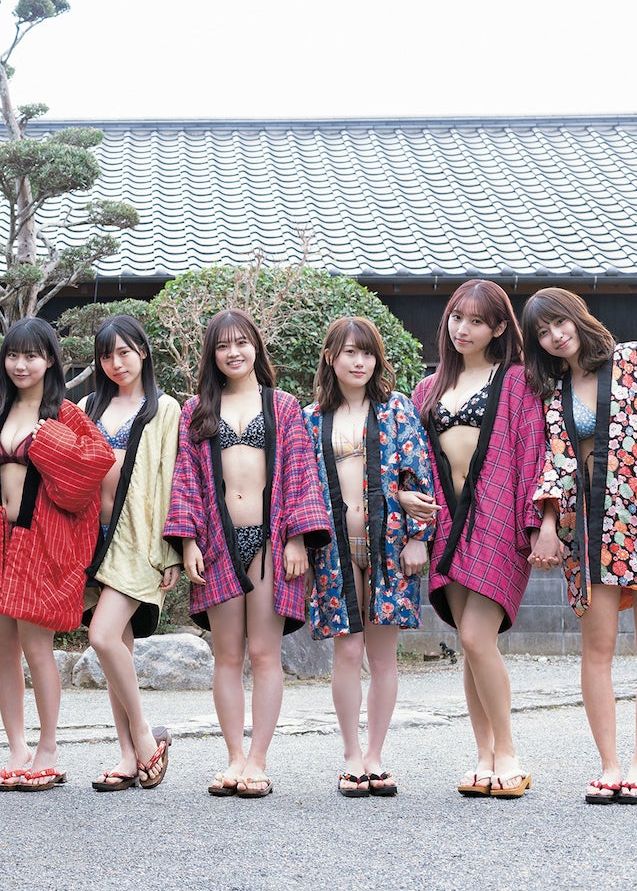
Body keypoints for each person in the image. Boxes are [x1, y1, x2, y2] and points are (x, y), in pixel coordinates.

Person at [523, 287, 637, 805]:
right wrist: (548, 524)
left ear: (578, 317)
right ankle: (609, 766)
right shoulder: (554, 392)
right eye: (542, 332)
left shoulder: (636, 359)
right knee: (597, 649)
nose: (555, 336)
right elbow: (556, 461)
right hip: (588, 527)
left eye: (559, 322)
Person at [165, 309, 331, 799]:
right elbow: (186, 478)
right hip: (218, 543)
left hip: (271, 541)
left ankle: (258, 760)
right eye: (222, 346)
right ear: (212, 355)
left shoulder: (282, 405)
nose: (233, 352)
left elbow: (300, 471)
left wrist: (298, 537)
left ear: (255, 346)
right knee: (228, 655)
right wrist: (188, 541)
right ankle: (234, 757)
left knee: (263, 652)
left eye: (241, 342)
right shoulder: (197, 409)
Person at [0, 317, 114, 792]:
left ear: (50, 361)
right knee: (3, 650)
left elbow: (96, 461)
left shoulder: (65, 414)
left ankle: (48, 748)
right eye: (13, 355)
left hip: (38, 542)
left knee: (37, 648)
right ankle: (17, 749)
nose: (20, 365)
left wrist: (50, 440)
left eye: (31, 356)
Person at [407, 279, 545, 799]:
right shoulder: (428, 388)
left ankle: (507, 753)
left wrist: (542, 526)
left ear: (500, 327)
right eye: (456, 317)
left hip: (500, 518)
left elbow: (533, 453)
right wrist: (409, 507)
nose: (462, 329)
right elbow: (412, 463)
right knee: (472, 644)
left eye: (477, 321)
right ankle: (483, 756)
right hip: (447, 521)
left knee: (474, 637)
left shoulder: (517, 381)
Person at [303, 316, 435, 797]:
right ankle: (351, 756)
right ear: (330, 357)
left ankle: (376, 755)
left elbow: (418, 474)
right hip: (333, 548)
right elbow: (301, 489)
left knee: (382, 655)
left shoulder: (396, 409)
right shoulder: (311, 417)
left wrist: (419, 538)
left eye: (367, 353)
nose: (359, 362)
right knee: (347, 650)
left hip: (390, 545)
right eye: (349, 352)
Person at [81, 316, 181, 793]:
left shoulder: (164, 408)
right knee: (117, 649)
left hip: (137, 538)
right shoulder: (88, 405)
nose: (116, 363)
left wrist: (173, 549)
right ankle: (126, 755)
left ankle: (144, 736)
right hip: (92, 537)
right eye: (107, 355)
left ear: (143, 350)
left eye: (124, 352)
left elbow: (171, 479)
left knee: (102, 637)